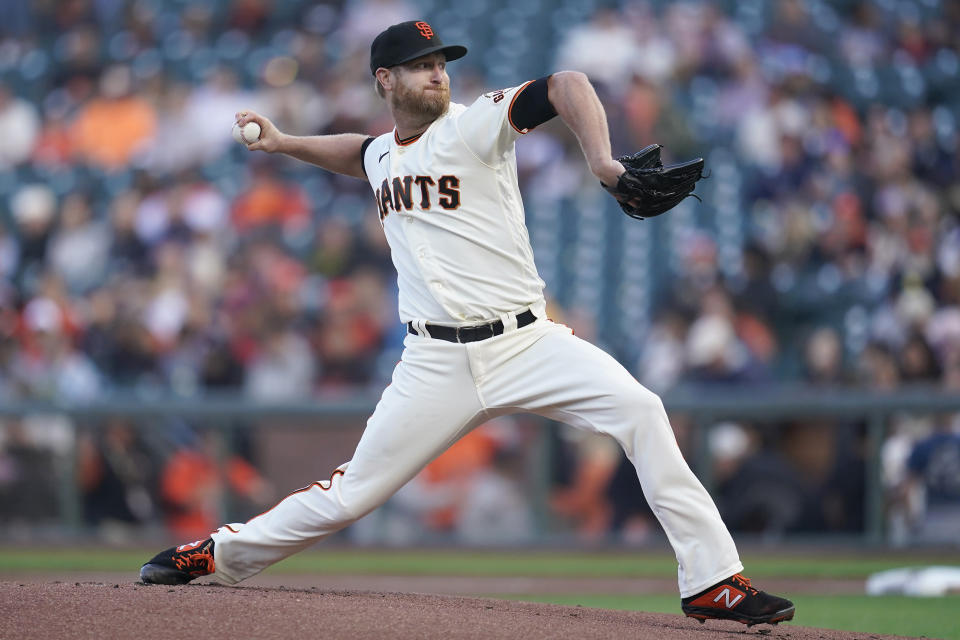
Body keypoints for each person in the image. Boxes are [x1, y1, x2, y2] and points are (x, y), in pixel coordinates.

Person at [140, 20, 795, 627]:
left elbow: (567, 84)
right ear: (384, 82)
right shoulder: (381, 158)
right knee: (350, 496)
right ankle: (217, 555)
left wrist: (601, 160)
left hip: (527, 342)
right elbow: (357, 152)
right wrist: (284, 143)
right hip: (435, 364)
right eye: (418, 65)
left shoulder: (475, 125)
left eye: (440, 63)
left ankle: (711, 580)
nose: (437, 73)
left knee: (642, 410)